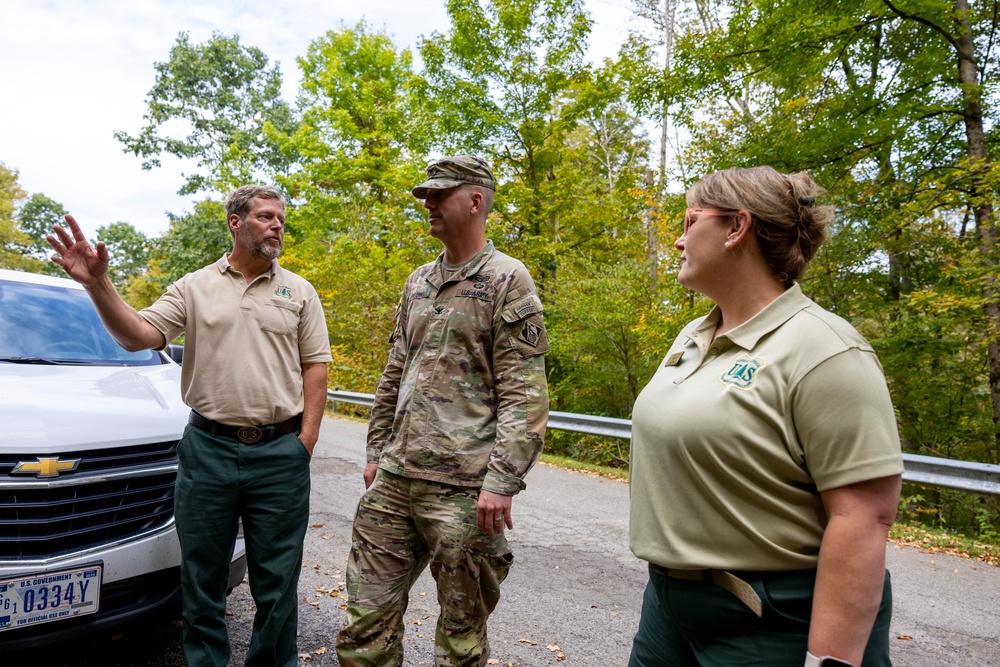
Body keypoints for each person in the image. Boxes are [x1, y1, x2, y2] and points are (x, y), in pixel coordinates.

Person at [628, 167, 904, 667]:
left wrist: (830, 661)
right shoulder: (694, 334)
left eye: (690, 220)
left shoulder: (825, 349)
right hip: (671, 606)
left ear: (737, 228)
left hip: (770, 620)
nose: (676, 239)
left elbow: (864, 516)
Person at [46, 185, 332, 667]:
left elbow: (316, 367)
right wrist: (98, 285)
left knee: (278, 582)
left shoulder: (299, 291)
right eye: (265, 217)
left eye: (281, 218)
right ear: (236, 223)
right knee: (202, 579)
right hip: (208, 449)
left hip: (279, 452)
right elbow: (139, 336)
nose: (278, 225)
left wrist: (305, 440)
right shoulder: (194, 286)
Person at [335, 156, 549, 667]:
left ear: (476, 200)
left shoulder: (506, 279)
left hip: (463, 490)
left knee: (460, 637)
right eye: (425, 194)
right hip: (394, 480)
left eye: (439, 194)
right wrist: (376, 451)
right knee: (365, 626)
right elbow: (394, 372)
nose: (427, 203)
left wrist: (501, 481)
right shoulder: (418, 281)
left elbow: (525, 394)